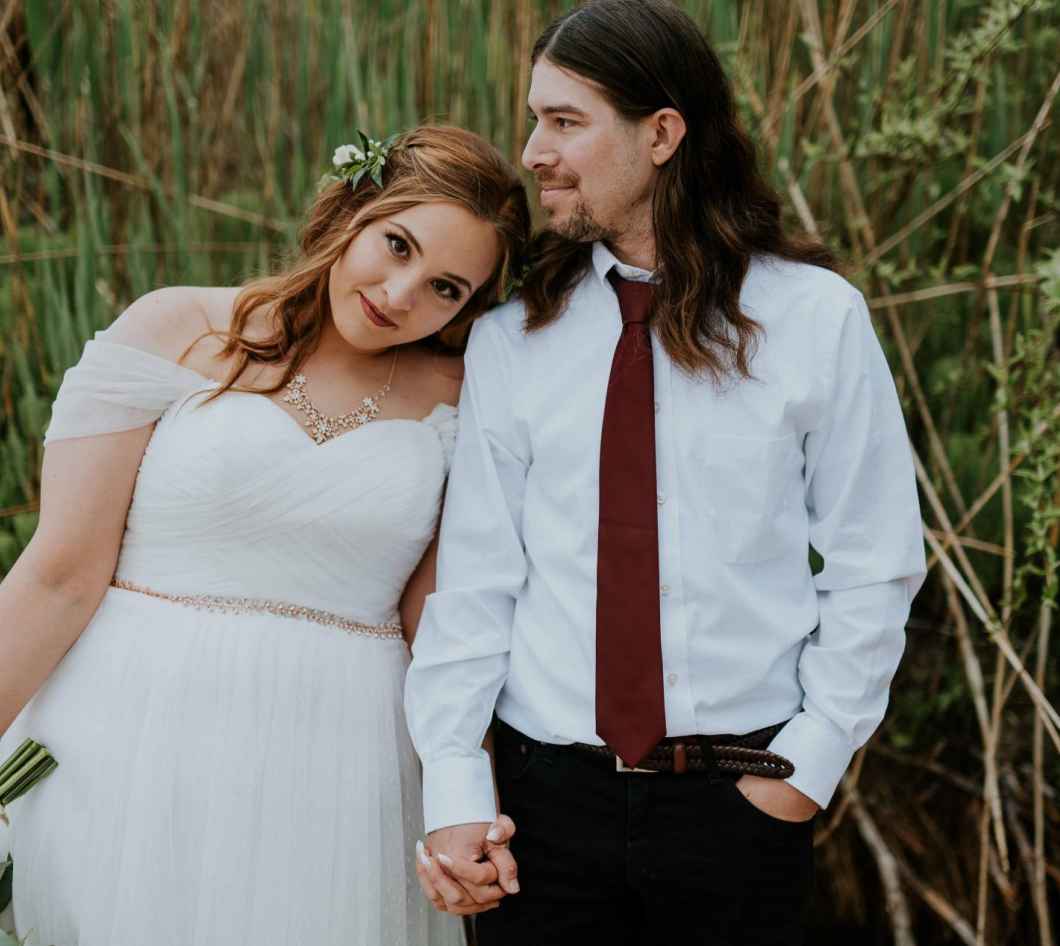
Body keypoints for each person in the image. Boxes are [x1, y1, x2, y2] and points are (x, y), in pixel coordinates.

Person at [405, 2, 927, 944]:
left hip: (741, 801)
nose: (533, 152)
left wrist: (807, 766)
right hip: (541, 809)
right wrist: (454, 784)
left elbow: (874, 563)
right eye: (535, 120)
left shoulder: (816, 320)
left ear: (661, 135)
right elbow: (476, 583)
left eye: (565, 121)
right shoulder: (513, 339)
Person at [0, 124, 529, 946]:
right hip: (129, 736)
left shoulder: (461, 396)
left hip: (338, 770)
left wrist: (465, 804)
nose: (400, 295)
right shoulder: (178, 327)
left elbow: (439, 629)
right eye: (396, 245)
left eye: (445, 289)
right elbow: (58, 575)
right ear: (353, 211)